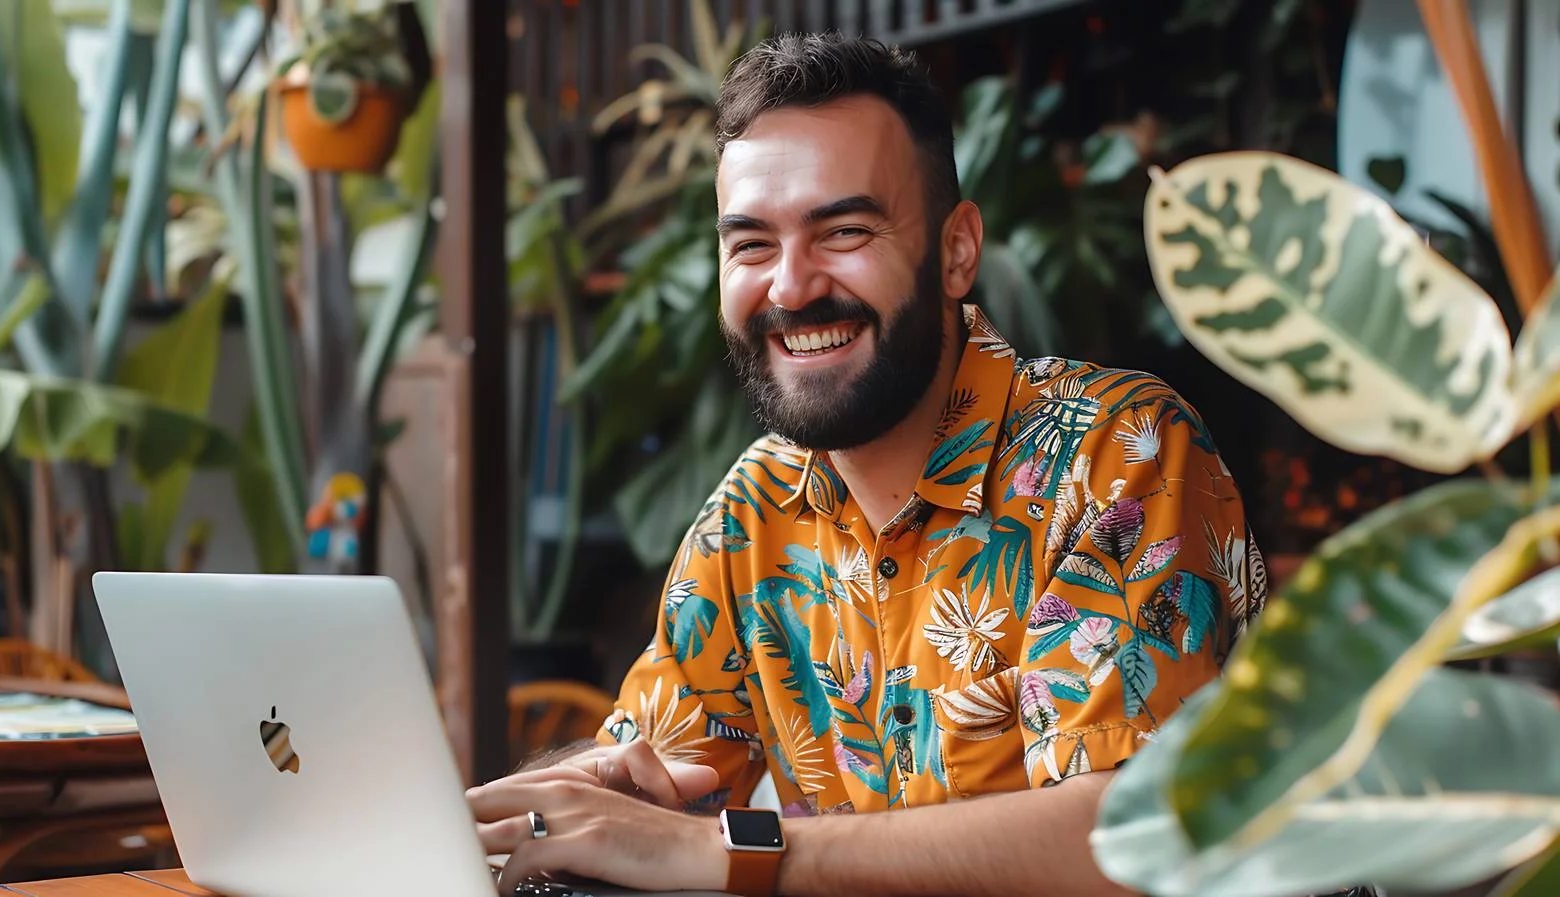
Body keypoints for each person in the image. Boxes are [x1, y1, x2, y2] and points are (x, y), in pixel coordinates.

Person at [469, 31, 1274, 897]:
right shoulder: (757, 508)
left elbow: (1130, 834)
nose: (789, 286)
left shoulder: (1114, 449)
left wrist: (737, 853)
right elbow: (652, 768)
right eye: (749, 244)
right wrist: (549, 806)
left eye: (843, 229)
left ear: (957, 251)